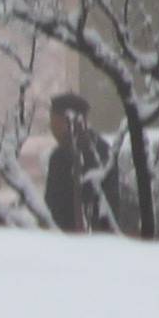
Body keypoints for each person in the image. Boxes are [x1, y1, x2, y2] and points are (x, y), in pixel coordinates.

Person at [41, 95, 113, 235]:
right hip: (93, 237)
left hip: (76, 238)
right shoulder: (103, 149)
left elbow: (55, 207)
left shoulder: (66, 155)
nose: (51, 126)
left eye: (53, 120)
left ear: (68, 121)